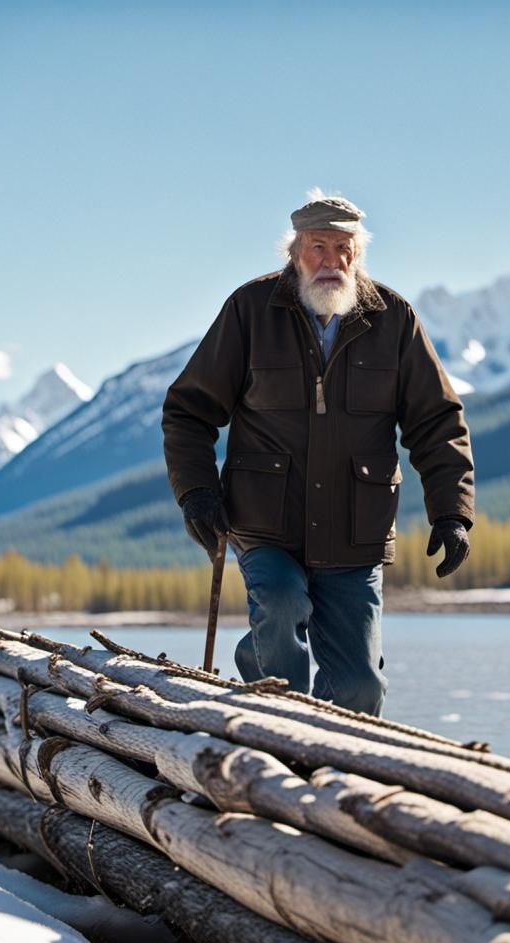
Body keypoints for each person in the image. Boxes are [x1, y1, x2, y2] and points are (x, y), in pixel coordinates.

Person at [162, 191, 474, 716]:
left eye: (343, 247)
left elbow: (437, 422)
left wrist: (453, 513)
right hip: (266, 524)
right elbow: (189, 410)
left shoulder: (394, 319)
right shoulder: (250, 311)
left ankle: (331, 771)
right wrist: (195, 492)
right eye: (318, 247)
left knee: (360, 692)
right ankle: (274, 739)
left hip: (356, 532)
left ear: (360, 252)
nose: (332, 261)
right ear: (294, 252)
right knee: (281, 613)